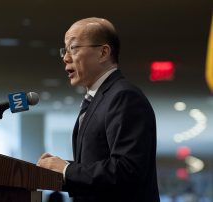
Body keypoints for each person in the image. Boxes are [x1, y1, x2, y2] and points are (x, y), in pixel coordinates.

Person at [37, 17, 160, 202]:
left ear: (103, 53)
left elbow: (127, 170)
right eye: (65, 49)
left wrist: (67, 170)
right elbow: (98, 168)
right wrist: (58, 169)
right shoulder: (99, 98)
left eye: (74, 48)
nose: (65, 57)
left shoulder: (124, 96)